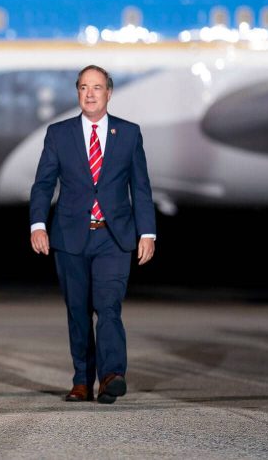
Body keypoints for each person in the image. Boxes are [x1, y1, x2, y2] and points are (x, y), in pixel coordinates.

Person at [29, 65, 156, 404]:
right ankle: (82, 381)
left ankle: (112, 375)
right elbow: (43, 184)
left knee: (108, 306)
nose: (90, 93)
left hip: (114, 237)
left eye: (97, 87)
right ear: (77, 92)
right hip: (70, 236)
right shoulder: (59, 134)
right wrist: (38, 225)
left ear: (109, 93)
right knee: (78, 311)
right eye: (84, 87)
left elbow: (141, 187)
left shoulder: (128, 133)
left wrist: (147, 233)